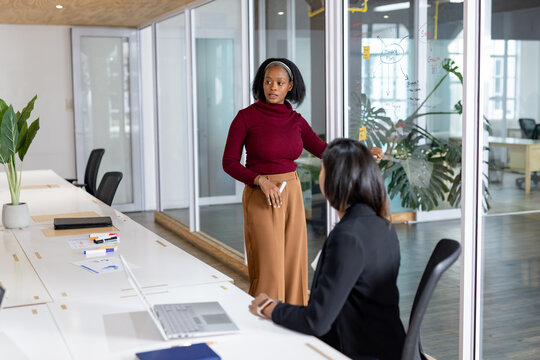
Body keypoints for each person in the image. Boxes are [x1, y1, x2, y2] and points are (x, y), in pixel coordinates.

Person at [223, 58, 383, 306]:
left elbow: (325, 150)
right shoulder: (246, 118)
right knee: (269, 266)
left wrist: (362, 152)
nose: (272, 87)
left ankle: (295, 319)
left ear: (290, 86)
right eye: (268, 82)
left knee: (293, 261)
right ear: (261, 84)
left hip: (292, 193)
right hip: (261, 194)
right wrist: (261, 182)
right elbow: (229, 162)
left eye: (279, 82)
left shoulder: (295, 121)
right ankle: (263, 318)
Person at [248, 138, 406, 360]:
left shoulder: (348, 237)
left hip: (355, 350)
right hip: (384, 345)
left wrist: (269, 307)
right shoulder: (381, 224)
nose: (319, 176)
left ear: (336, 180)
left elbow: (317, 321)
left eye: (323, 169)